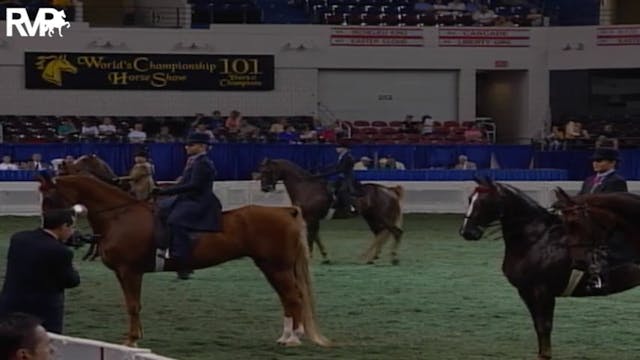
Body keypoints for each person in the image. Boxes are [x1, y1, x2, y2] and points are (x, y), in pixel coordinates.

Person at [152, 133, 222, 280]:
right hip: (187, 197)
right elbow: (184, 183)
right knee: (160, 210)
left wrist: (167, 191)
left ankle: (183, 261)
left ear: (202, 147)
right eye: (187, 144)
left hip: (200, 200)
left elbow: (194, 186)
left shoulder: (203, 163)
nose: (187, 147)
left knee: (176, 221)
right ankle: (162, 246)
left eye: (191, 145)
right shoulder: (192, 161)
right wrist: (165, 190)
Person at [0, 209, 81, 334]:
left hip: (10, 305)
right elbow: (72, 281)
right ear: (64, 226)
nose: (72, 231)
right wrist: (73, 269)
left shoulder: (18, 238)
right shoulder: (61, 252)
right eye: (72, 227)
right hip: (43, 312)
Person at [576, 148, 628, 292]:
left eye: (599, 160)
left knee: (598, 248)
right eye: (594, 161)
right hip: (587, 221)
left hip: (605, 224)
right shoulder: (589, 181)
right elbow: (580, 198)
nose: (595, 163)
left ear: (612, 163)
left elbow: (614, 204)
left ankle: (599, 278)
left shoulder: (617, 181)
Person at [312, 142, 358, 214]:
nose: (336, 149)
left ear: (344, 149)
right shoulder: (341, 156)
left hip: (347, 177)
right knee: (329, 187)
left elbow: (340, 169)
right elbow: (335, 166)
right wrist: (324, 169)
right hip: (341, 177)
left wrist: (324, 175)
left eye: (338, 148)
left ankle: (351, 207)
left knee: (343, 191)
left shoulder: (348, 157)